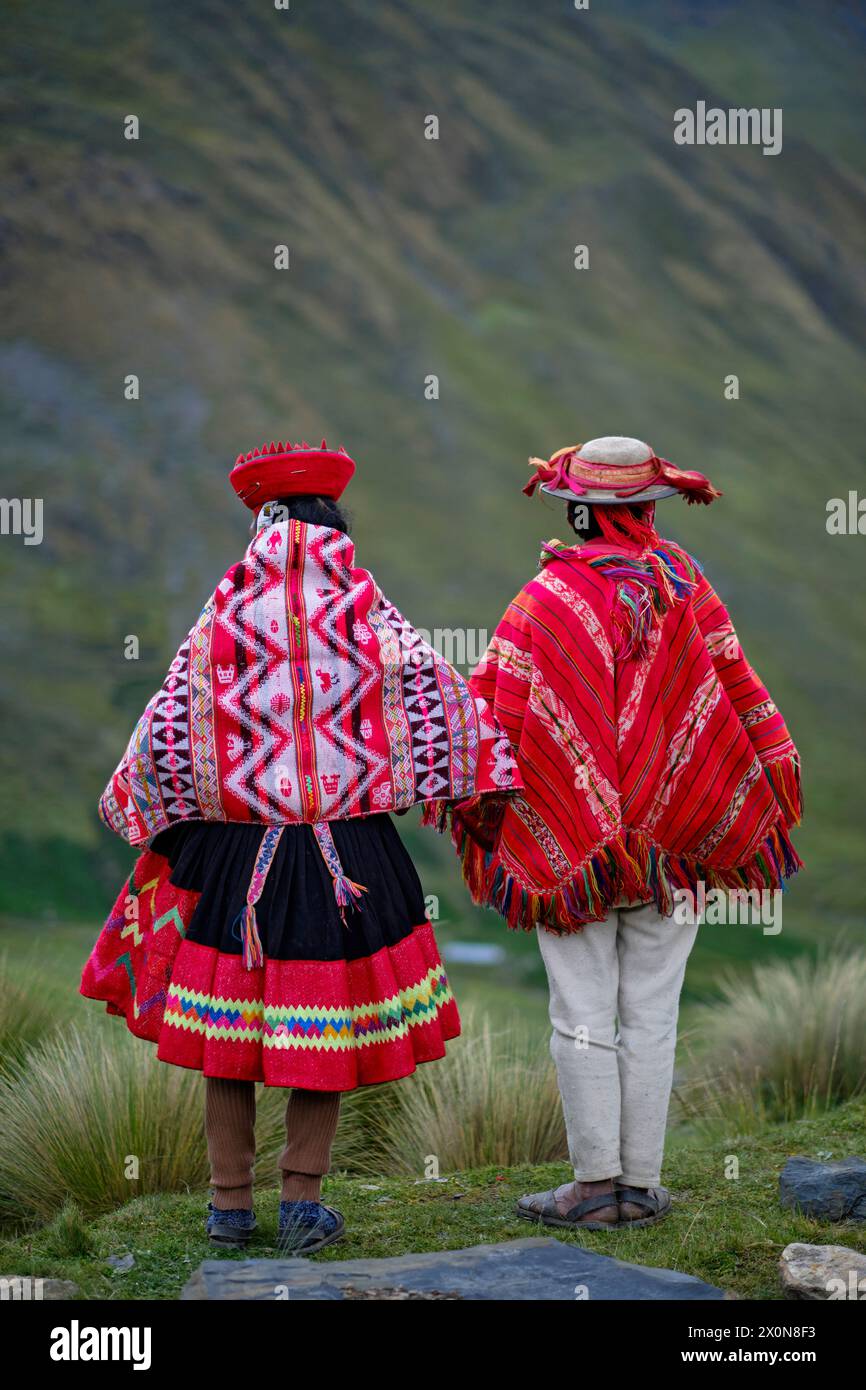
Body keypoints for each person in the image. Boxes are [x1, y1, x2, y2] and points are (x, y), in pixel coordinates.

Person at [82, 439, 520, 1252]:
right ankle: (303, 1205)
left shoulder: (228, 607)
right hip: (347, 858)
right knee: (324, 1031)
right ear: (334, 521)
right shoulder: (364, 608)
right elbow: (442, 706)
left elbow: (167, 728)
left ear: (260, 521)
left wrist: (166, 814)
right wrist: (483, 777)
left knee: (229, 1036)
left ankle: (227, 1207)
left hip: (231, 857)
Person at [424, 435, 802, 1230]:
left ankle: (596, 1187)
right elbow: (737, 693)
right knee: (654, 1013)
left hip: (572, 853)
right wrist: (755, 779)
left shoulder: (546, 602)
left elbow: (492, 716)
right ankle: (642, 1186)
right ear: (647, 509)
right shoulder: (688, 588)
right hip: (677, 838)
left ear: (579, 509)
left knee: (581, 1014)